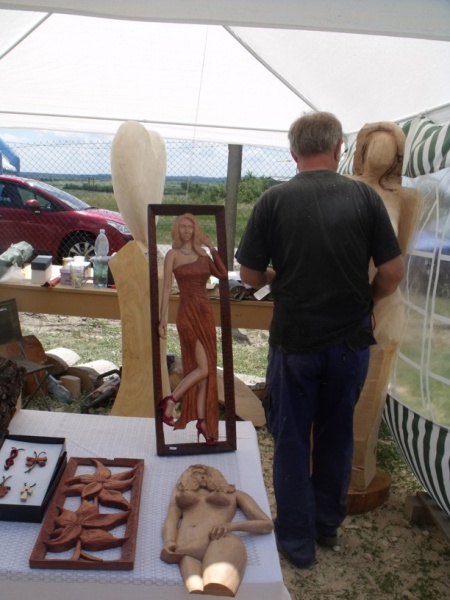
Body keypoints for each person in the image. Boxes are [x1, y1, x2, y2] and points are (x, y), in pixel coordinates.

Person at [235, 112, 404, 568]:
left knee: (292, 438)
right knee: (336, 434)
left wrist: (275, 277)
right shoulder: (365, 199)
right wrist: (367, 299)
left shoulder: (273, 200)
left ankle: (296, 543)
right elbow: (392, 272)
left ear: (294, 153)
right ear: (337, 149)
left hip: (295, 344)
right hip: (350, 343)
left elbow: (249, 275)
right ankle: (327, 524)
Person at [158, 213, 228, 445]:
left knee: (206, 375)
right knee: (204, 368)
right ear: (177, 230)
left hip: (205, 314)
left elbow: (223, 274)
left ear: (195, 230)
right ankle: (171, 400)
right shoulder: (173, 255)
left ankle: (202, 422)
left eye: (190, 227)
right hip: (187, 314)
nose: (186, 231)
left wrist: (212, 248)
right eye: (182, 227)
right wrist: (162, 320)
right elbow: (166, 288)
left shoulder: (203, 255)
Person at [160, 464, 274, 596]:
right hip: (185, 549)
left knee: (217, 586)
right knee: (195, 589)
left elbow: (267, 524)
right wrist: (169, 541)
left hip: (218, 541)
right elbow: (171, 519)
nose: (203, 476)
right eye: (197, 473)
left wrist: (232, 526)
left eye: (207, 474)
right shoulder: (181, 493)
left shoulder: (234, 494)